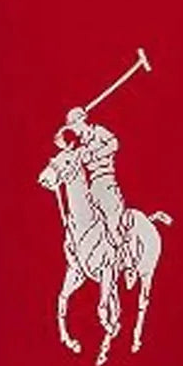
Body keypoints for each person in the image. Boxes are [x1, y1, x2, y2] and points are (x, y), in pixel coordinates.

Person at [54, 105, 127, 255]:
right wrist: (59, 138)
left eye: (74, 124)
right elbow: (67, 154)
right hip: (92, 183)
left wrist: (94, 155)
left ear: (82, 120)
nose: (73, 129)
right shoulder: (80, 145)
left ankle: (123, 251)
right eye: (71, 126)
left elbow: (114, 144)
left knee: (110, 217)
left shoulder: (98, 131)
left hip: (106, 180)